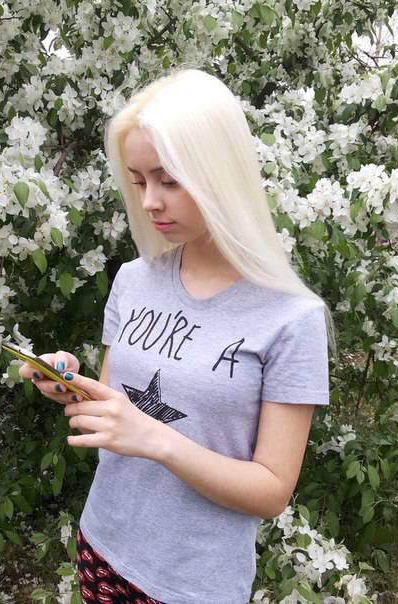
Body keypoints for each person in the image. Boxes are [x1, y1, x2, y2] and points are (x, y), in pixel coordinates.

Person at [18, 68, 334, 604]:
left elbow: (271, 491)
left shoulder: (291, 318)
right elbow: (115, 410)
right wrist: (68, 383)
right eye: (139, 181)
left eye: (168, 180)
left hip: (192, 582)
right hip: (103, 543)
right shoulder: (133, 280)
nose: (149, 202)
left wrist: (157, 439)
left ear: (221, 174)